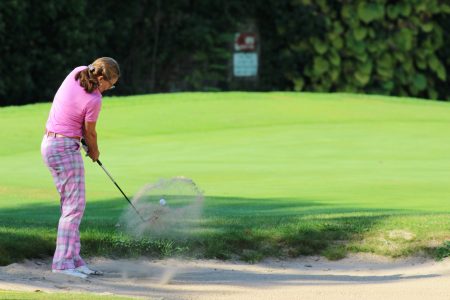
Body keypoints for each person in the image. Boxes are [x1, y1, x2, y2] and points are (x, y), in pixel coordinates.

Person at [41, 57, 120, 278]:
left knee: (72, 205)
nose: (108, 89)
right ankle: (63, 264)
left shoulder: (77, 72)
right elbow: (90, 132)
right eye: (110, 85)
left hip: (51, 143)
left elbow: (72, 112)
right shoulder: (95, 99)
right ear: (102, 78)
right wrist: (94, 151)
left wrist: (83, 139)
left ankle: (74, 260)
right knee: (74, 207)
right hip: (64, 147)